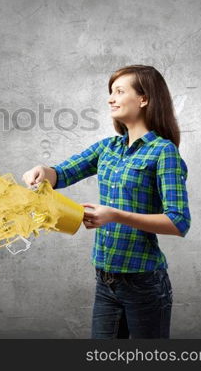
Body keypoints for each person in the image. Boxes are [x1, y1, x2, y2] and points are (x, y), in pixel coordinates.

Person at [22, 64, 190, 339]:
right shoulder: (107, 148)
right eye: (110, 92)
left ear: (144, 98)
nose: (110, 98)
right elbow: (60, 174)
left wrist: (115, 215)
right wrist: (42, 172)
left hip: (144, 283)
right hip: (105, 279)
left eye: (119, 91)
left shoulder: (163, 152)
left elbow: (178, 221)